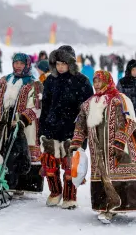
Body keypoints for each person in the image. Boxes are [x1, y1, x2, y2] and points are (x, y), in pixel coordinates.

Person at [70, 70, 136, 224]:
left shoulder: (120, 99)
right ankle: (105, 206)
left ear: (107, 81)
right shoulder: (88, 103)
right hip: (98, 148)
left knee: (116, 175)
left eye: (99, 81)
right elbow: (80, 124)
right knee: (102, 174)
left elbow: (130, 121)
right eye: (95, 82)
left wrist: (120, 142)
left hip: (119, 147)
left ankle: (118, 205)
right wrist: (76, 142)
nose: (97, 85)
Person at [0, 53, 43, 195]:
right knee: (2, 152)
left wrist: (21, 121)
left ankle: (21, 185)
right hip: (2, 125)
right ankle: (4, 181)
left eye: (21, 63)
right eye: (16, 63)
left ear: (27, 64)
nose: (18, 66)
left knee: (20, 153)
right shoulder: (3, 81)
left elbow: (35, 107)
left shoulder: (34, 84)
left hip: (23, 127)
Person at [39, 47, 93, 208]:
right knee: (50, 165)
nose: (60, 67)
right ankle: (55, 192)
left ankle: (70, 197)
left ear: (71, 63)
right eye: (57, 63)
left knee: (70, 166)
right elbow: (46, 106)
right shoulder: (49, 80)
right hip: (51, 128)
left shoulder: (82, 81)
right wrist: (42, 129)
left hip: (72, 129)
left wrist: (83, 131)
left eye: (64, 63)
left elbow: (87, 108)